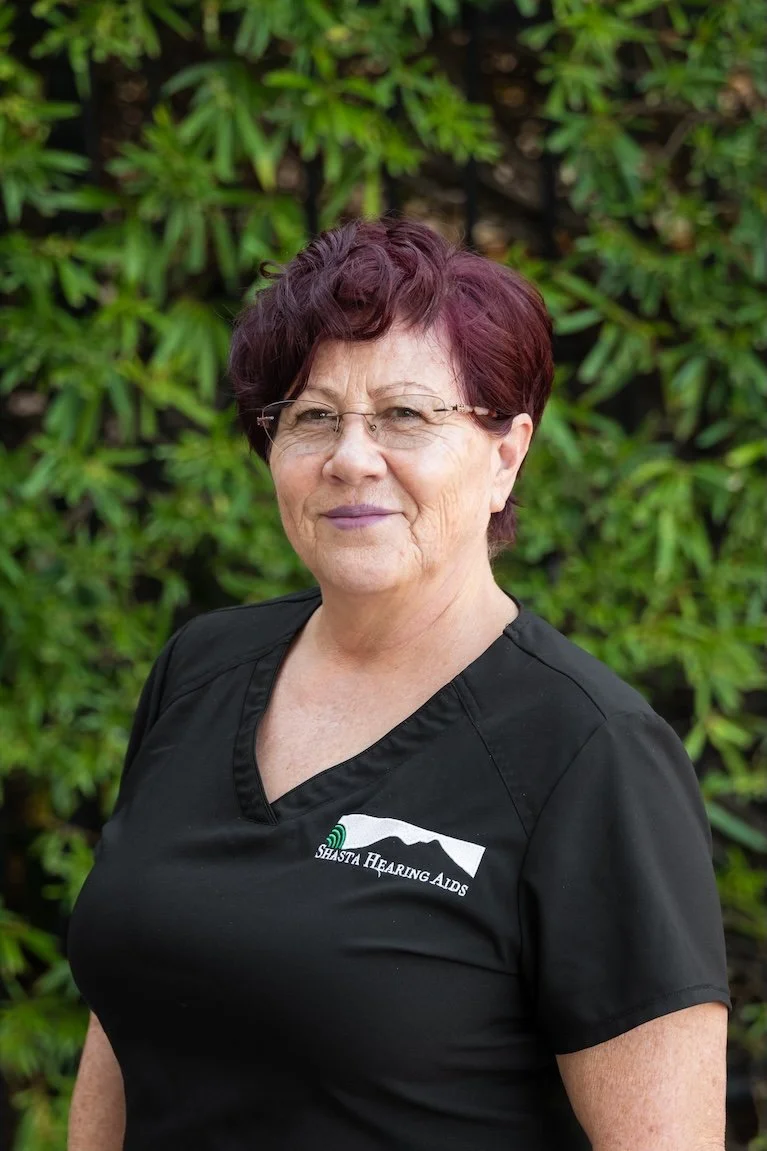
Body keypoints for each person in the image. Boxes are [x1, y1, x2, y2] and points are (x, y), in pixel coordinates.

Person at [66, 215, 730, 1151]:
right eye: (311, 417)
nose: (349, 457)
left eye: (406, 414)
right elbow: (122, 1016)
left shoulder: (587, 751)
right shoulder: (201, 668)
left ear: (505, 454)